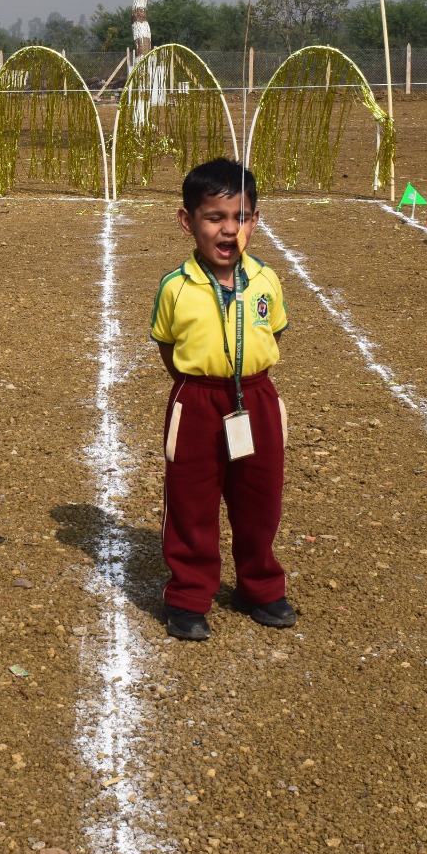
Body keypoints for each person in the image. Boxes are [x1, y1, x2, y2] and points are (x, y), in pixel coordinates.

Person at [151, 159, 293, 639]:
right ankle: (189, 596)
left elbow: (275, 332)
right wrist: (203, 383)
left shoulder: (267, 281)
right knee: (191, 499)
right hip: (196, 402)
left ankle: (260, 585)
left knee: (261, 497)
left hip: (257, 397)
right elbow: (167, 346)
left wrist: (244, 378)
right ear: (187, 220)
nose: (229, 229)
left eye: (241, 217)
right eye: (215, 217)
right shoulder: (175, 287)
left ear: (254, 220)